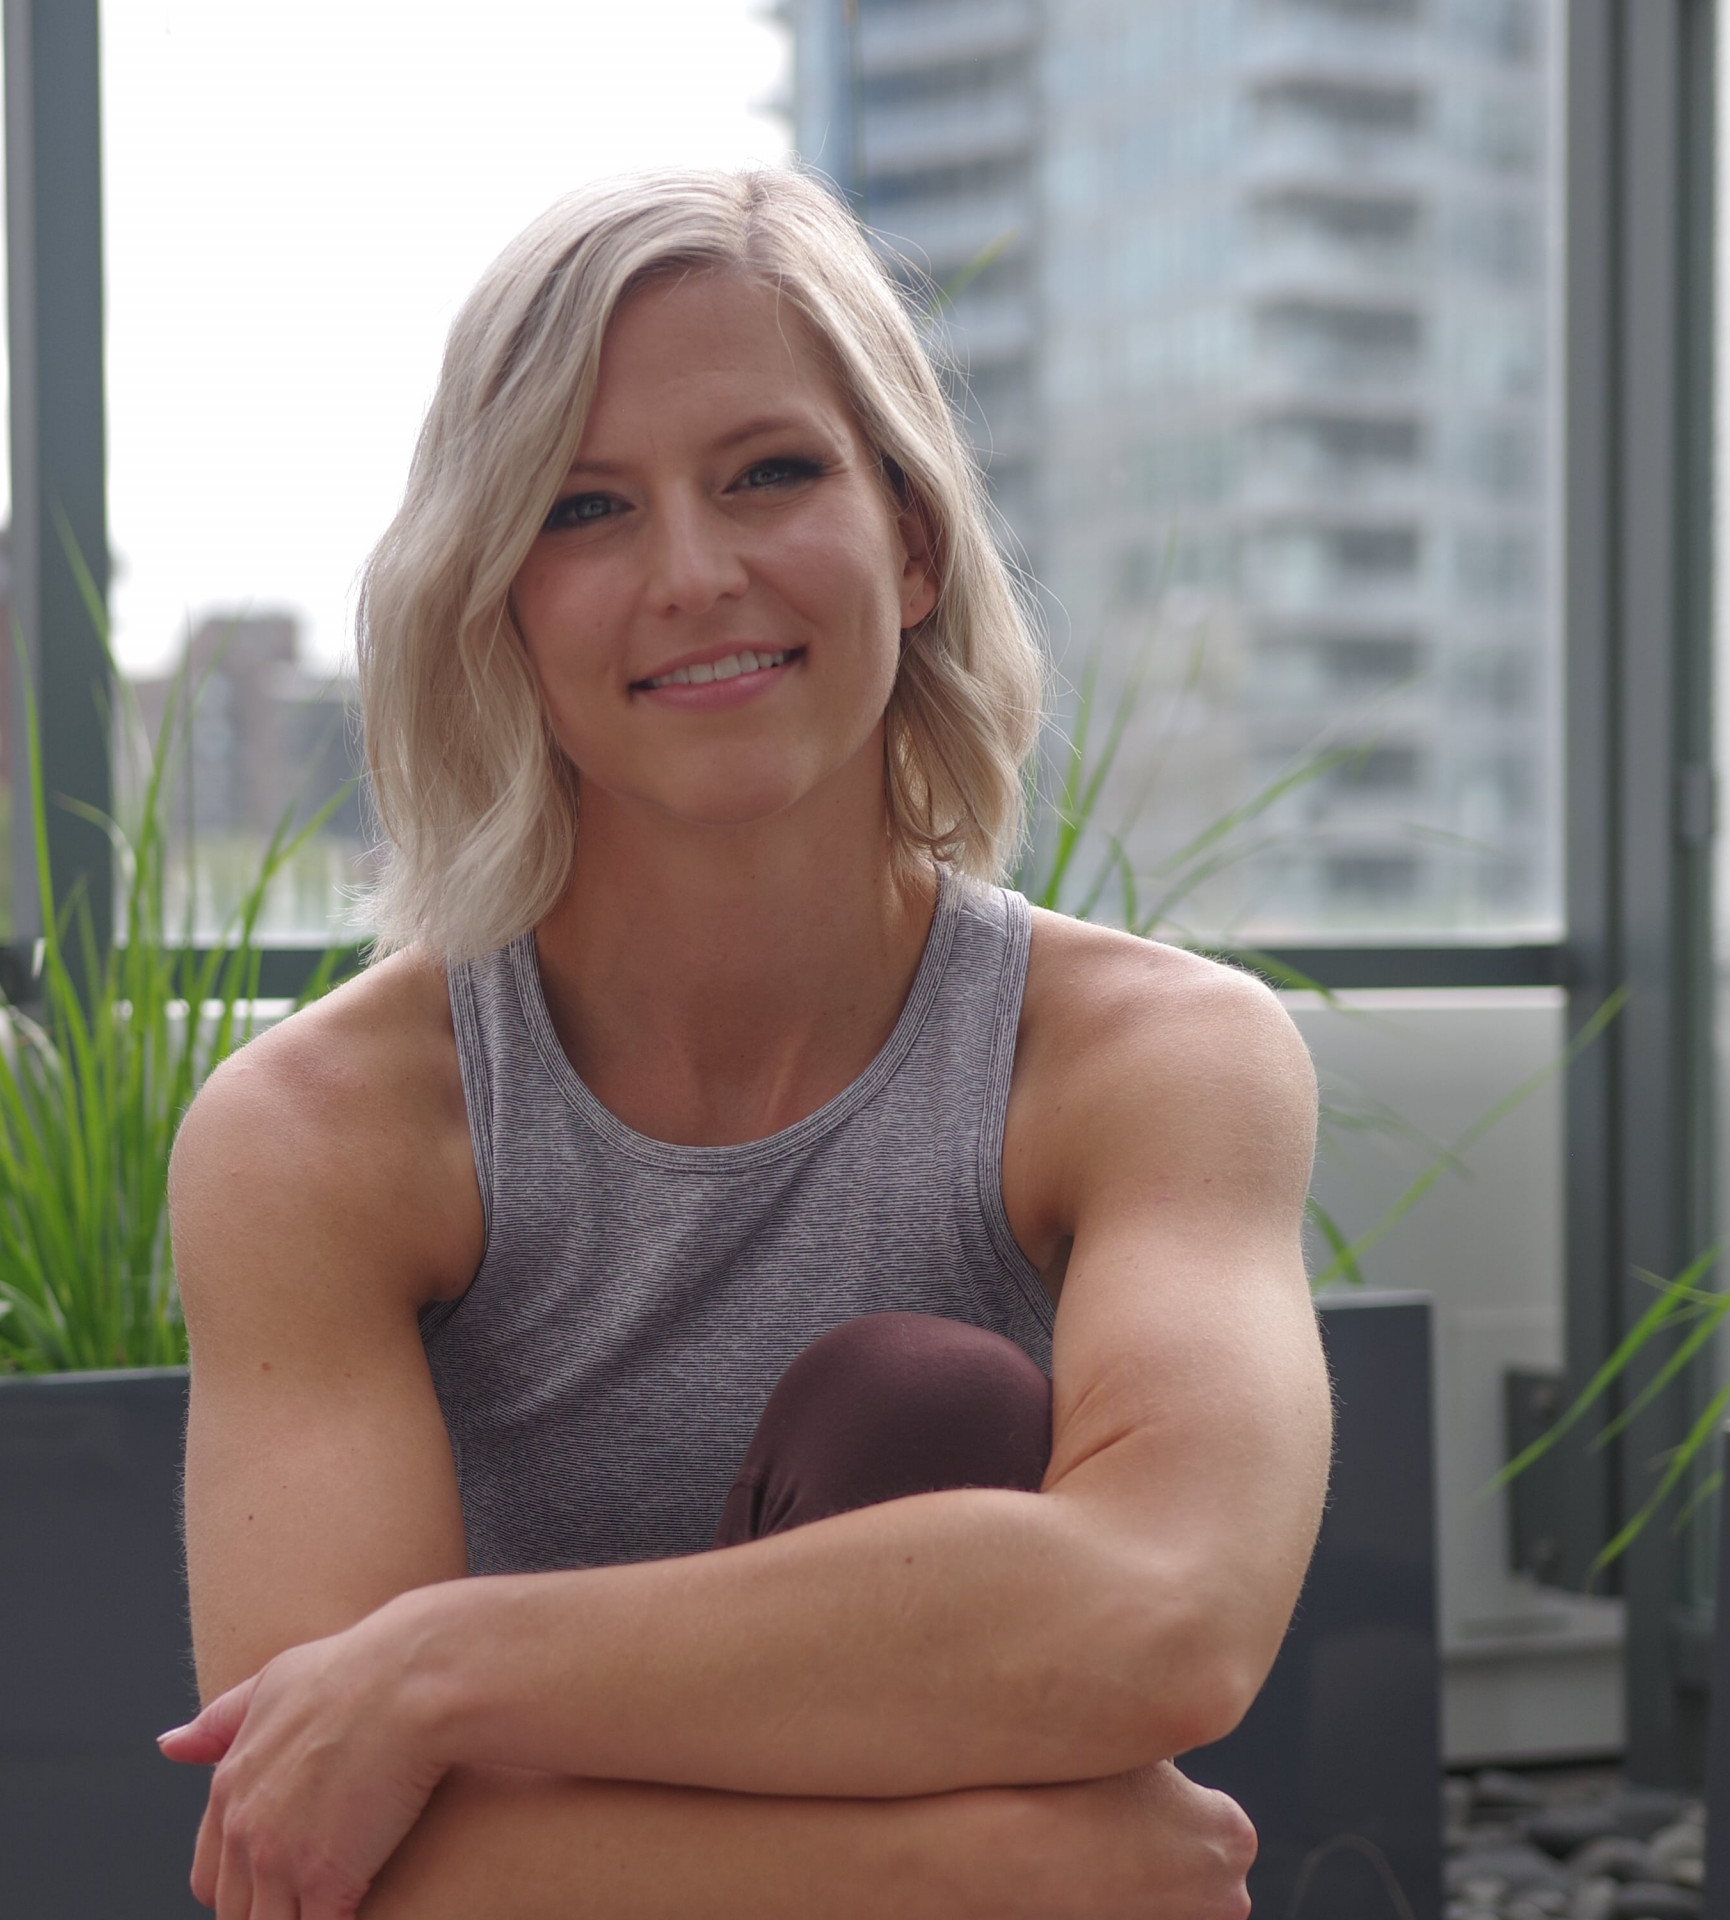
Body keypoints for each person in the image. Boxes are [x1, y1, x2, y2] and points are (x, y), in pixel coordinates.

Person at [156, 167, 1330, 1919]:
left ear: (912, 542)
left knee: (913, 1410)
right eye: (583, 509)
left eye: (771, 474)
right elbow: (313, 1851)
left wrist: (438, 1672)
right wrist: (974, 1866)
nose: (694, 574)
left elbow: (1167, 1613)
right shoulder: (323, 1131)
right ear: (501, 605)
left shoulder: (1152, 1058)